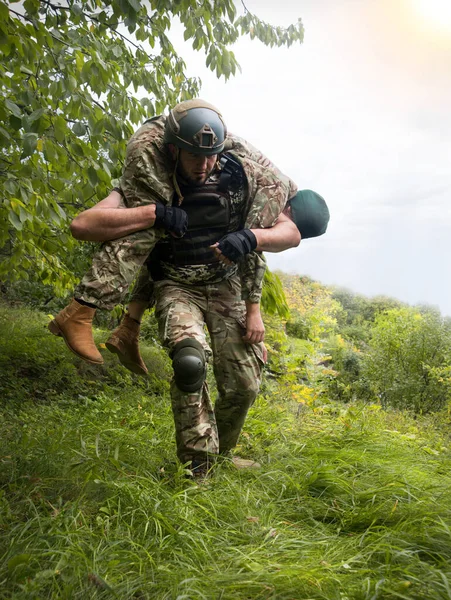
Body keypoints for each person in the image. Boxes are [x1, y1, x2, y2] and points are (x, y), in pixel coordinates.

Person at [50, 99, 329, 475]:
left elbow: (290, 232)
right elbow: (84, 225)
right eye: (195, 157)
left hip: (224, 285)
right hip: (176, 285)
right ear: (171, 150)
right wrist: (153, 213)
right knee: (189, 362)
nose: (204, 166)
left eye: (211, 156)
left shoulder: (238, 176)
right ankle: (197, 466)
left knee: (244, 384)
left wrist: (249, 239)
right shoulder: (144, 183)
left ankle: (221, 457)